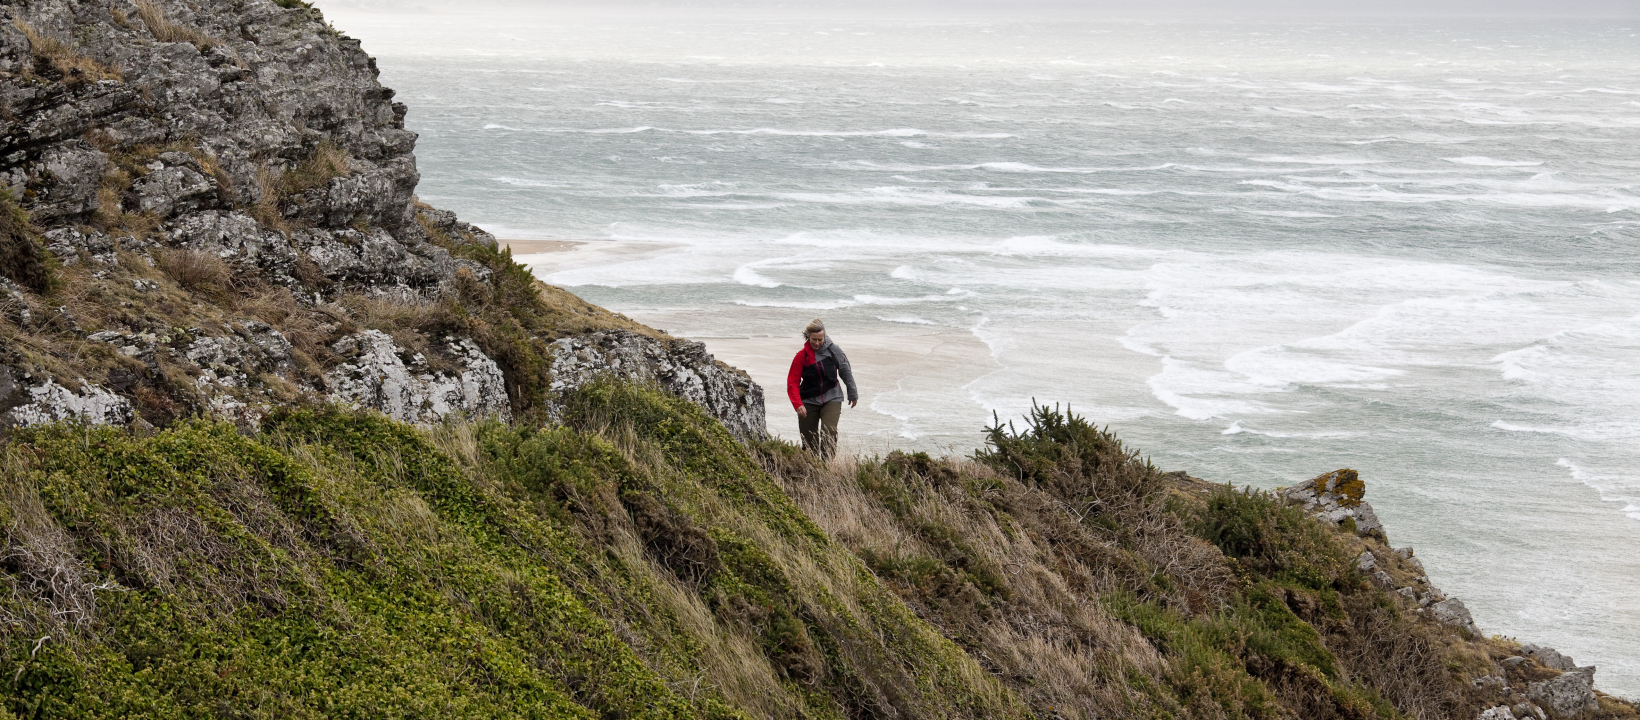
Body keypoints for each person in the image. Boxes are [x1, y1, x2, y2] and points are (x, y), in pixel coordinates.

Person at [786, 318, 857, 459]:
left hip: (832, 397)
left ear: (824, 337)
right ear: (808, 337)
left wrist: (852, 392)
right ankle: (812, 466)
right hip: (808, 400)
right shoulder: (801, 356)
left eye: (820, 339)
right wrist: (798, 404)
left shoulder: (834, 350)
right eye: (814, 339)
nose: (817, 343)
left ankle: (827, 466)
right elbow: (792, 382)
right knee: (808, 439)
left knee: (828, 431)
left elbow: (845, 370)